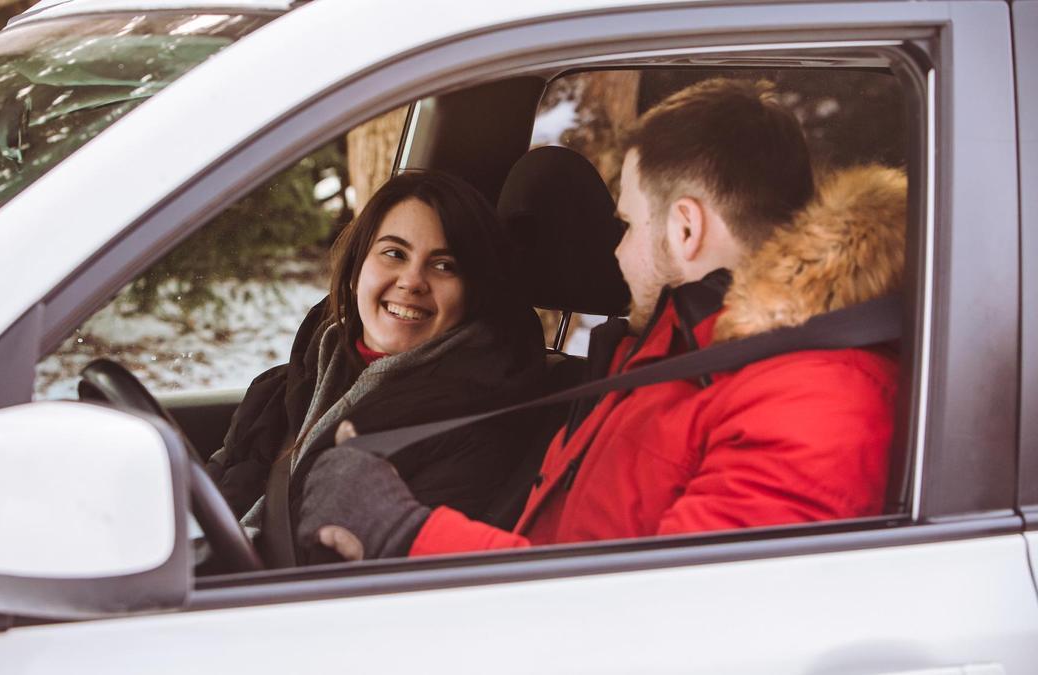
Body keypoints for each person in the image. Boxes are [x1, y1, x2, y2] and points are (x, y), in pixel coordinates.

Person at [296, 78, 907, 561]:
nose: (613, 253)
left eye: (627, 225)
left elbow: (665, 618)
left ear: (686, 229)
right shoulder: (671, 348)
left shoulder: (812, 402)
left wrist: (404, 532)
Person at [205, 170, 546, 561]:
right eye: (394, 254)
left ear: (472, 293)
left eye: (444, 265)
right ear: (356, 270)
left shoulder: (476, 429)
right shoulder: (284, 388)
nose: (412, 281)